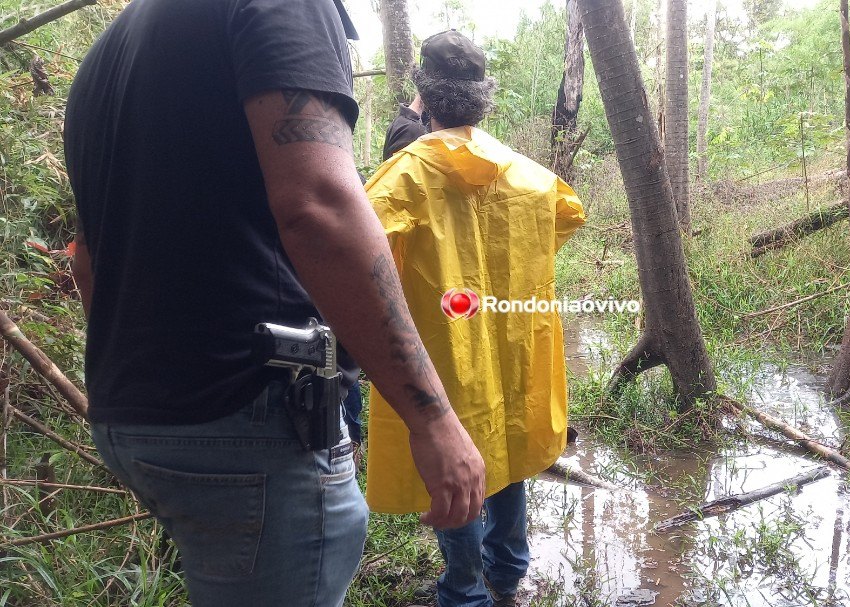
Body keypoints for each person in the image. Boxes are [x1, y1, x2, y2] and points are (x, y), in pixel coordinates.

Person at [63, 2, 485, 605]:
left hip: (133, 414)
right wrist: (434, 419)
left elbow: (86, 256)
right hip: (250, 415)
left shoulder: (110, 52)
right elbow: (318, 210)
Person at [363, 30, 587, 607]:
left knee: (455, 463)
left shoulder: (405, 174)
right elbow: (566, 215)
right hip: (512, 344)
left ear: (425, 96)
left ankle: (464, 591)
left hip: (443, 354)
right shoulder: (525, 173)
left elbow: (360, 252)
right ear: (483, 96)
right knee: (507, 450)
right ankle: (508, 573)